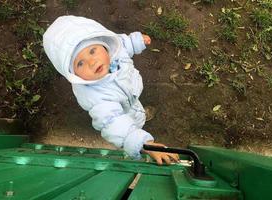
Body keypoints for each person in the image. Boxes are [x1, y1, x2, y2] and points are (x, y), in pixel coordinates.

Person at [43, 16, 179, 165]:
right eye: (80, 63)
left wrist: (135, 41)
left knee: (134, 105)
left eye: (92, 51)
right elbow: (112, 122)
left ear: (104, 44)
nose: (92, 61)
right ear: (73, 74)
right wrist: (143, 144)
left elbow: (122, 44)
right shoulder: (96, 98)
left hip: (130, 92)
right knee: (130, 118)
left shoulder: (114, 51)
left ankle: (139, 113)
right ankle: (139, 121)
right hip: (121, 108)